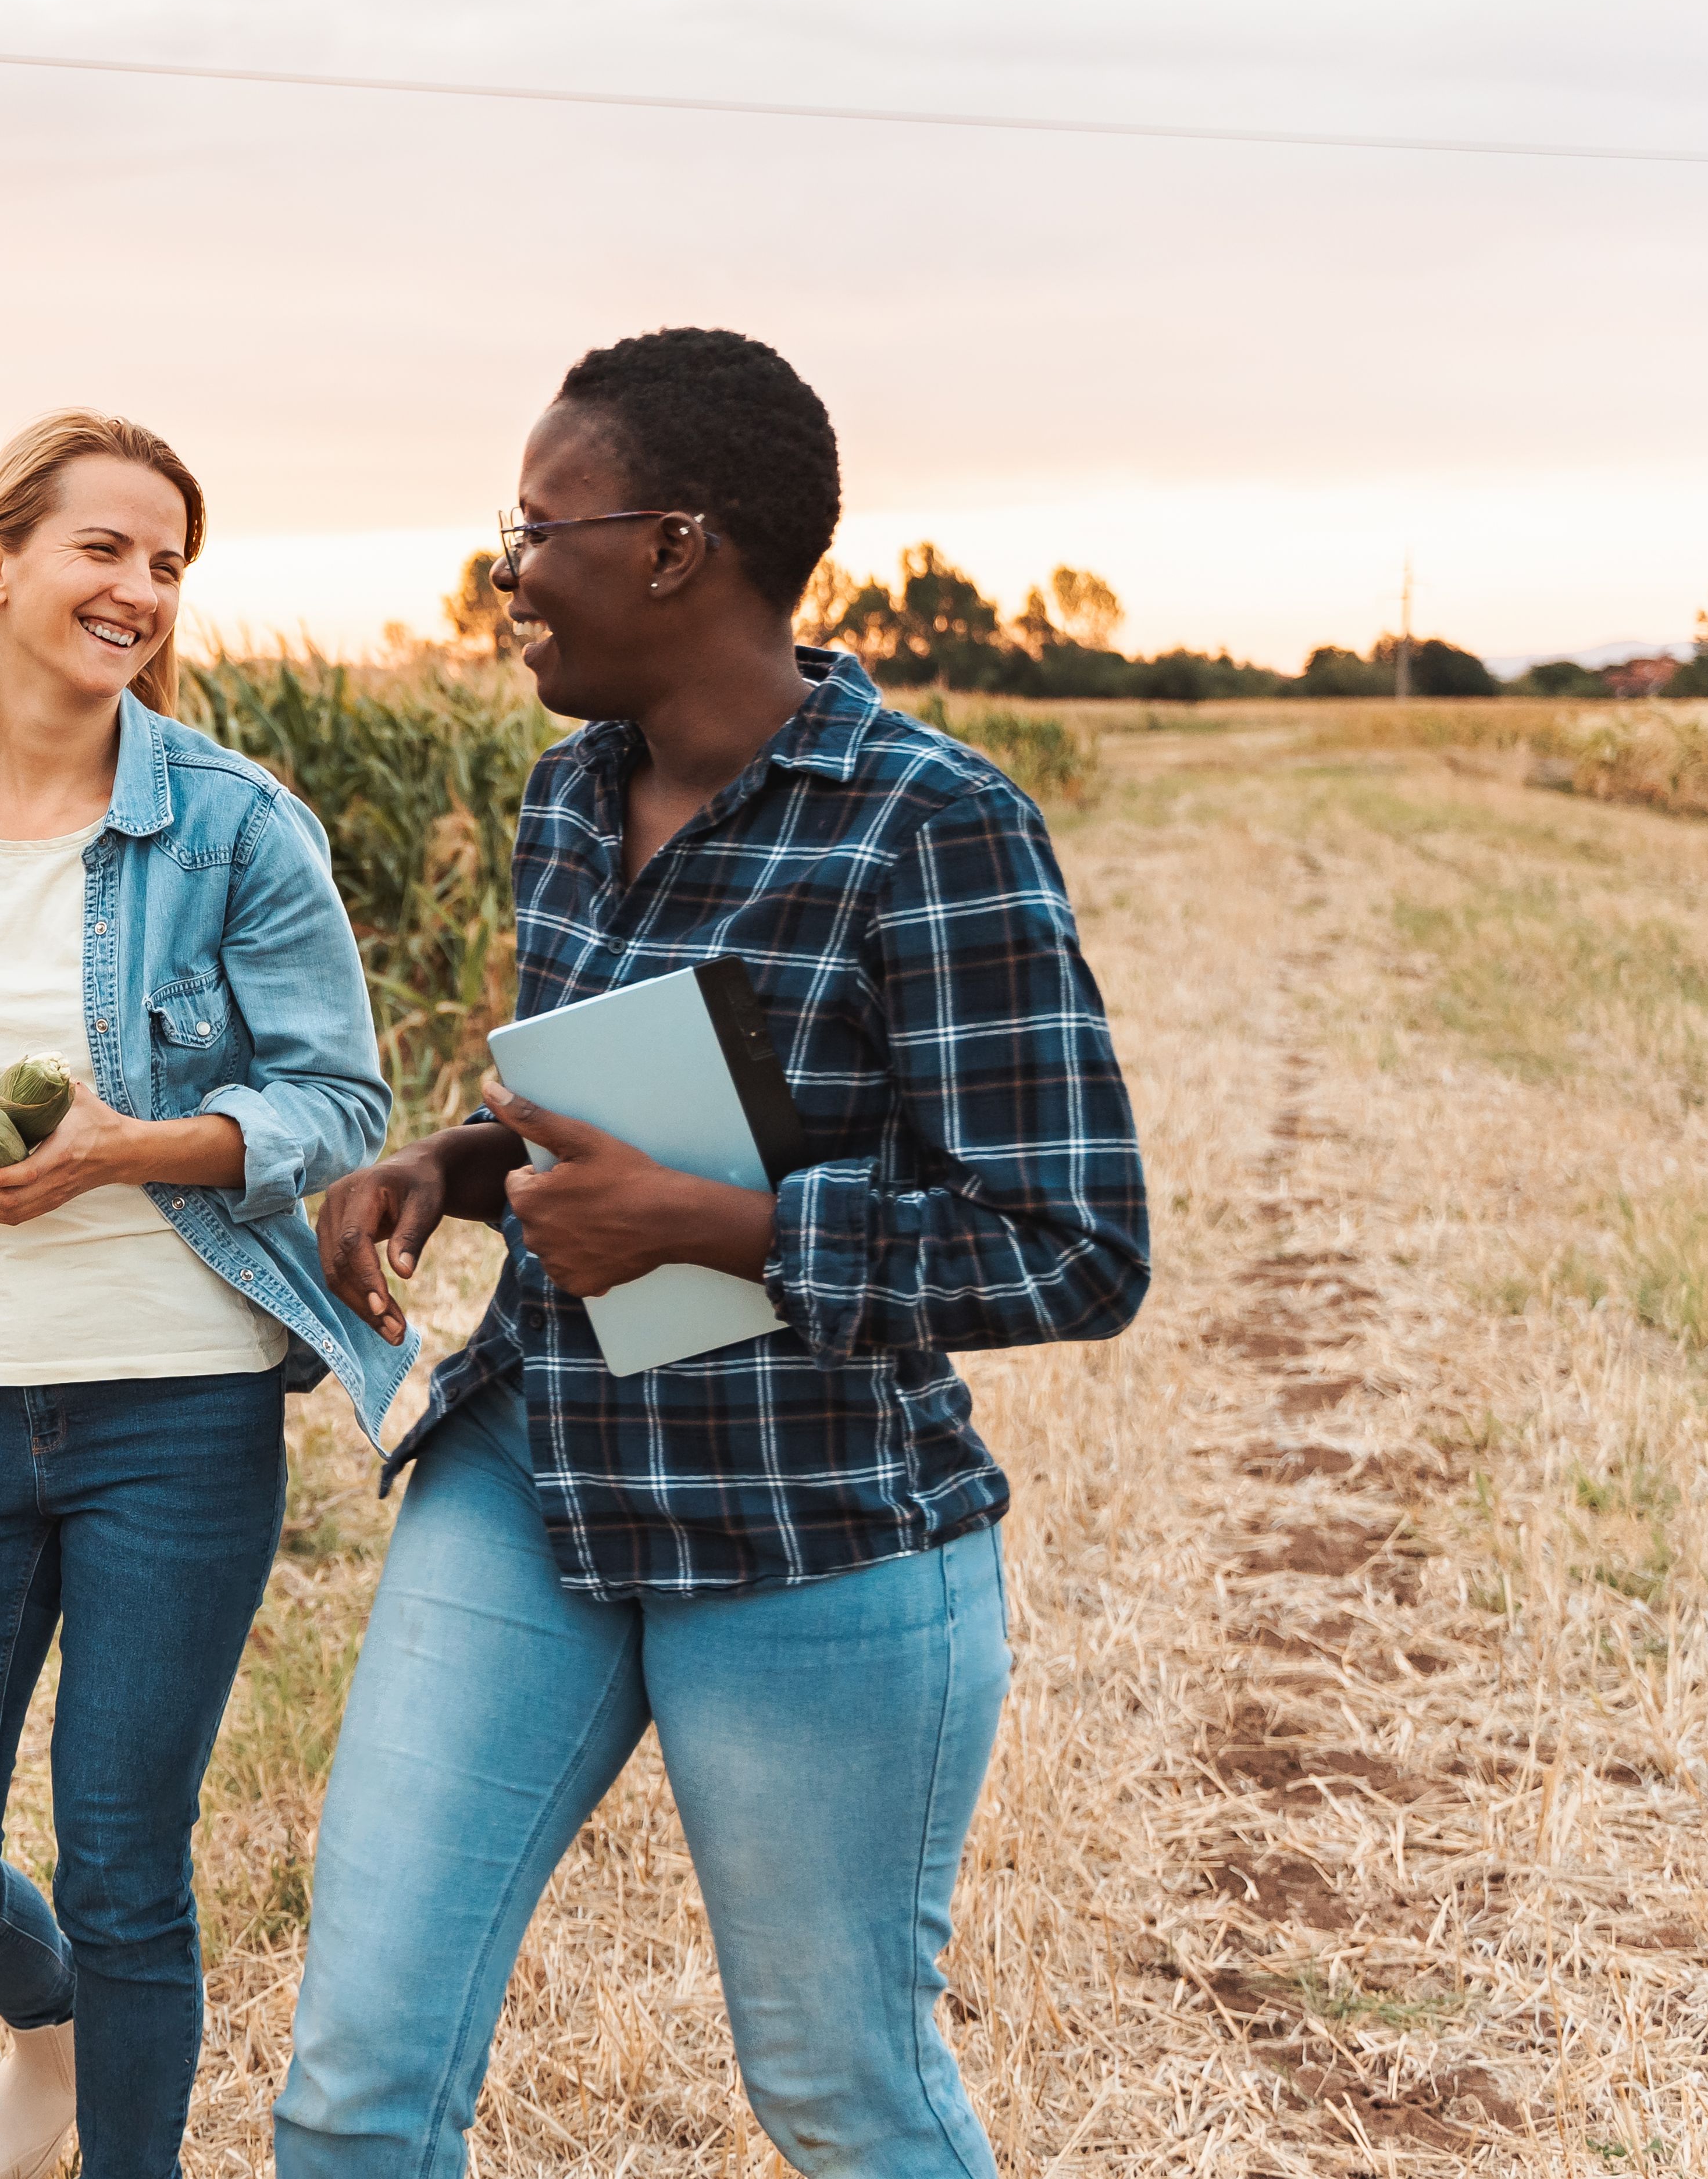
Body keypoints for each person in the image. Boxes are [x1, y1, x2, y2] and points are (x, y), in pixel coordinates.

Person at [269, 332, 1150, 2179]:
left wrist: (727, 1232)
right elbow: (619, 1121)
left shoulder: (934, 824)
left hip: (812, 1528)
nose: (505, 572)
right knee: (350, 2096)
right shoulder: (570, 801)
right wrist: (459, 1160)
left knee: (844, 2102)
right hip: (533, 1473)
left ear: (675, 548)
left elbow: (1078, 1248)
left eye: (535, 525)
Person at [0, 412, 400, 2179]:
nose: (139, 590)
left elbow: (337, 1105)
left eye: (168, 564)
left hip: (175, 1403)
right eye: (104, 550)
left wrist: (130, 1147)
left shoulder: (233, 827)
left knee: (129, 1861)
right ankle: (50, 2035)